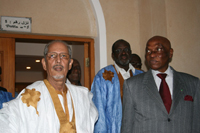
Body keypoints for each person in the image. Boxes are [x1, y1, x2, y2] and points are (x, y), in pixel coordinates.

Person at [0, 40, 98, 133]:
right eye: (52, 56)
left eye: (64, 56)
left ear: (70, 64)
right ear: (44, 64)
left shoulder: (83, 95)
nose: (58, 60)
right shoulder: (31, 95)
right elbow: (6, 121)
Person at [121, 36, 200, 133]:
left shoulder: (192, 83)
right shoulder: (132, 85)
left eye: (158, 49)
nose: (152, 55)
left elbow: (196, 124)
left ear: (170, 53)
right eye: (148, 51)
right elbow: (127, 126)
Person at [91, 39, 143, 133]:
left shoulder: (141, 75)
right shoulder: (103, 76)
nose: (123, 53)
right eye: (118, 51)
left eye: (126, 50)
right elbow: (98, 109)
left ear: (130, 53)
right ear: (113, 55)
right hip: (114, 128)